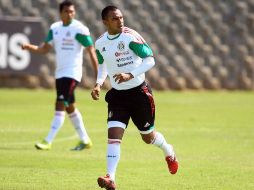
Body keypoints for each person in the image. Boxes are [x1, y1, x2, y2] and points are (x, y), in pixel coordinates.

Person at [91, 5, 179, 190]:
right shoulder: (100, 43)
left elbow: (150, 60)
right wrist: (99, 83)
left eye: (121, 17)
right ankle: (111, 178)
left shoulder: (130, 36)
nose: (120, 21)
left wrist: (130, 74)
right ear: (105, 22)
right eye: (115, 18)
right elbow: (103, 65)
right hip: (117, 96)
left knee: (148, 138)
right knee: (113, 136)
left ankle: (168, 151)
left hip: (139, 94)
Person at [21, 0, 98, 151]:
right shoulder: (55, 28)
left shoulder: (79, 29)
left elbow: (91, 51)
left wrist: (98, 78)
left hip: (73, 73)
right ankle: (85, 140)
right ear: (60, 13)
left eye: (72, 12)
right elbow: (44, 49)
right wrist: (31, 48)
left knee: (60, 104)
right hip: (60, 73)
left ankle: (48, 140)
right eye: (67, 11)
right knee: (70, 107)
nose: (70, 14)